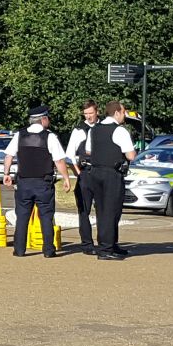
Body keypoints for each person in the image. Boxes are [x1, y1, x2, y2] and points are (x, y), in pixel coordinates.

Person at [2, 105, 71, 258]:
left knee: (22, 217)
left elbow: (8, 156)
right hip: (43, 183)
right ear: (43, 119)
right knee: (46, 216)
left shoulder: (20, 135)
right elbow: (59, 160)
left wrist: (6, 173)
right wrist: (66, 178)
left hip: (24, 183)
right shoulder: (50, 137)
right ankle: (48, 250)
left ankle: (19, 249)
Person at [85, 101, 137, 260]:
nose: (124, 115)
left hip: (95, 172)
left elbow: (88, 150)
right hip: (111, 174)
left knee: (102, 210)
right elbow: (131, 155)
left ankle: (111, 244)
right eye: (123, 112)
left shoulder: (94, 130)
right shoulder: (120, 131)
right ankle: (106, 249)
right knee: (112, 211)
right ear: (116, 113)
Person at [65, 100, 100, 255]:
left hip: (101, 172)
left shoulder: (104, 127)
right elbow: (69, 155)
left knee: (103, 210)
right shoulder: (78, 130)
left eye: (91, 113)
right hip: (85, 172)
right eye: (85, 114)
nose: (88, 117)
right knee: (83, 210)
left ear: (97, 112)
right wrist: (77, 172)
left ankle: (105, 243)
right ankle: (87, 244)